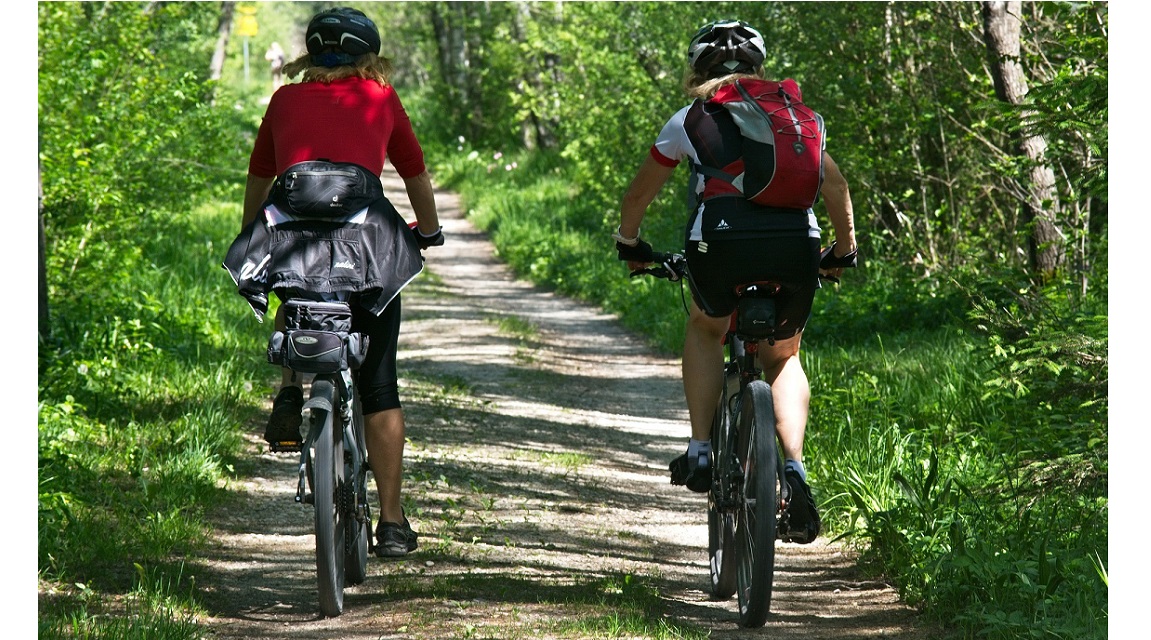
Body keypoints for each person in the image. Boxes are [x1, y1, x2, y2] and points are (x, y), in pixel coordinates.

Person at [613, 20, 857, 544]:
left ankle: (701, 448)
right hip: (796, 245)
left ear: (696, 71)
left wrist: (630, 246)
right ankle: (794, 469)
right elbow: (834, 185)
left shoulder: (689, 119)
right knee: (784, 357)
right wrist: (843, 253)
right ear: (757, 68)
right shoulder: (795, 117)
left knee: (706, 327)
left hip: (720, 246)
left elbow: (638, 197)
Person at [241, 7, 444, 557]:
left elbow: (261, 177)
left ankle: (289, 387)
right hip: (366, 248)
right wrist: (428, 232)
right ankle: (394, 523)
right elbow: (414, 173)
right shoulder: (380, 97)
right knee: (380, 383)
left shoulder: (284, 100)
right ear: (368, 56)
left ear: (310, 54)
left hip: (294, 242)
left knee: (293, 283)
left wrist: (250, 236)